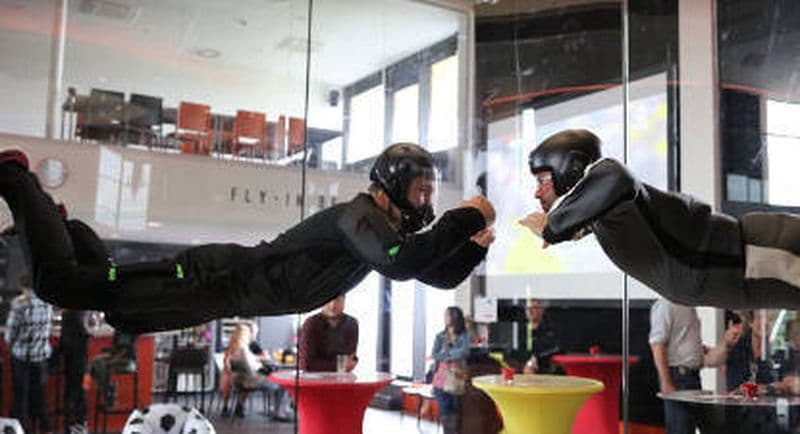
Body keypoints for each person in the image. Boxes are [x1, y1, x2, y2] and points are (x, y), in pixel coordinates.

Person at [0, 143, 495, 334]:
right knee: (58, 285)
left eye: (429, 191)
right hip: (210, 278)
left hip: (218, 296)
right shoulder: (358, 217)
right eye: (421, 189)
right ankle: (16, 178)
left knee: (123, 315)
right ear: (390, 186)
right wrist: (467, 217)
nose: (427, 201)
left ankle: (61, 226)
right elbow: (404, 262)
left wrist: (473, 248)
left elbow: (436, 275)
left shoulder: (381, 233)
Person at [518, 129, 800, 309]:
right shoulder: (606, 214)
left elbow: (613, 177)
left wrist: (553, 227)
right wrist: (571, 230)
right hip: (741, 275)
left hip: (753, 252)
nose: (538, 192)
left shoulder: (609, 176)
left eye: (543, 179)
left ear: (572, 167)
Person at [649, 298, 741, 434]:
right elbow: (657, 344)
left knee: (709, 426)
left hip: (692, 377)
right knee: (682, 429)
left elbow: (704, 359)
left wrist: (726, 343)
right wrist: (666, 382)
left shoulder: (689, 307)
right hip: (677, 377)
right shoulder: (666, 305)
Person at [4, 274, 53, 434]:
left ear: (22, 286)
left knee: (21, 397)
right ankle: (46, 429)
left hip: (22, 357)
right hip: (41, 357)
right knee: (39, 396)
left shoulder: (19, 305)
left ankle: (24, 430)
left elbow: (9, 335)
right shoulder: (47, 302)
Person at [725, 309, 787, 394]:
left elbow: (786, 385)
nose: (765, 323)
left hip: (768, 401)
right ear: (751, 322)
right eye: (761, 318)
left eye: (770, 320)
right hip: (739, 401)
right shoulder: (738, 348)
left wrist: (769, 388)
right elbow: (710, 360)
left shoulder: (777, 354)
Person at [219, 323, 272, 418]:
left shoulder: (251, 345)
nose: (253, 335)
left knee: (244, 376)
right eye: (252, 332)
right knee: (230, 376)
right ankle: (229, 406)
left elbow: (256, 358)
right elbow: (228, 363)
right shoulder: (239, 348)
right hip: (238, 376)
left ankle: (236, 406)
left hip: (242, 375)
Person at [431, 306, 470, 434]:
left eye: (447, 315)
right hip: (440, 378)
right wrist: (451, 355)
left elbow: (464, 352)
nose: (445, 318)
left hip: (456, 377)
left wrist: (446, 354)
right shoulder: (440, 336)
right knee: (445, 410)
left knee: (455, 410)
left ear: (455, 317)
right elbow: (435, 354)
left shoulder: (464, 335)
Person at [299, 294, 359, 372]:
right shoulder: (311, 323)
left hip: (342, 376)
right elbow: (306, 364)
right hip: (314, 377)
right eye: (328, 300)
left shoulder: (351, 323)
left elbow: (350, 359)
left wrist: (349, 363)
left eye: (338, 300)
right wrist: (339, 365)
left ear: (344, 301)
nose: (332, 305)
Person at [58, 309, 91, 434]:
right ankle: (79, 424)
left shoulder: (67, 313)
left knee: (71, 392)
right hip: (79, 358)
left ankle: (70, 425)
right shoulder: (76, 313)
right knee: (80, 392)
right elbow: (84, 333)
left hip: (70, 357)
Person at [89, 331, 137, 408]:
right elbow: (115, 349)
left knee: (101, 366)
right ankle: (109, 388)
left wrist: (112, 360)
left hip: (127, 360)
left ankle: (108, 394)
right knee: (95, 362)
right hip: (116, 355)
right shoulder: (118, 331)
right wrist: (107, 356)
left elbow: (125, 350)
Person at [518, 298, 562, 374]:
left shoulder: (550, 328)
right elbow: (518, 352)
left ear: (541, 310)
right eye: (527, 308)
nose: (530, 311)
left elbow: (557, 349)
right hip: (524, 368)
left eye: (534, 308)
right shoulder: (521, 329)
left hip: (545, 367)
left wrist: (537, 358)